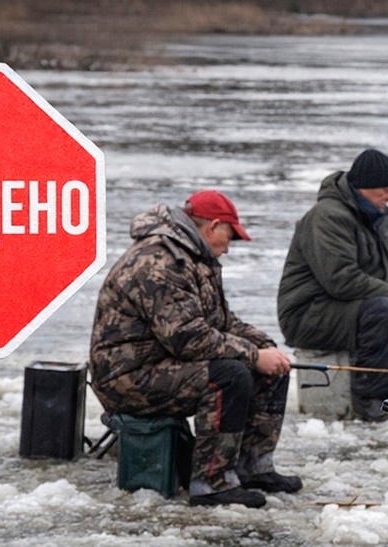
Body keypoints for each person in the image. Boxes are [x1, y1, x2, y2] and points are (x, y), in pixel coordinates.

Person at [89, 190, 301, 509]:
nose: (228, 248)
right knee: (229, 376)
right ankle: (211, 484)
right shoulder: (159, 261)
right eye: (230, 237)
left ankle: (253, 468)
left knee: (272, 369)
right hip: (127, 379)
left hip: (162, 365)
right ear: (212, 227)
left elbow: (222, 321)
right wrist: (254, 356)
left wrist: (264, 346)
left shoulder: (193, 258)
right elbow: (188, 339)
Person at [277, 149, 388, 422]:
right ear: (363, 188)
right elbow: (342, 280)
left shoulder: (377, 216)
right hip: (309, 316)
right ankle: (371, 404)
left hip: (352, 309)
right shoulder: (327, 217)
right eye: (385, 190)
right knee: (385, 309)